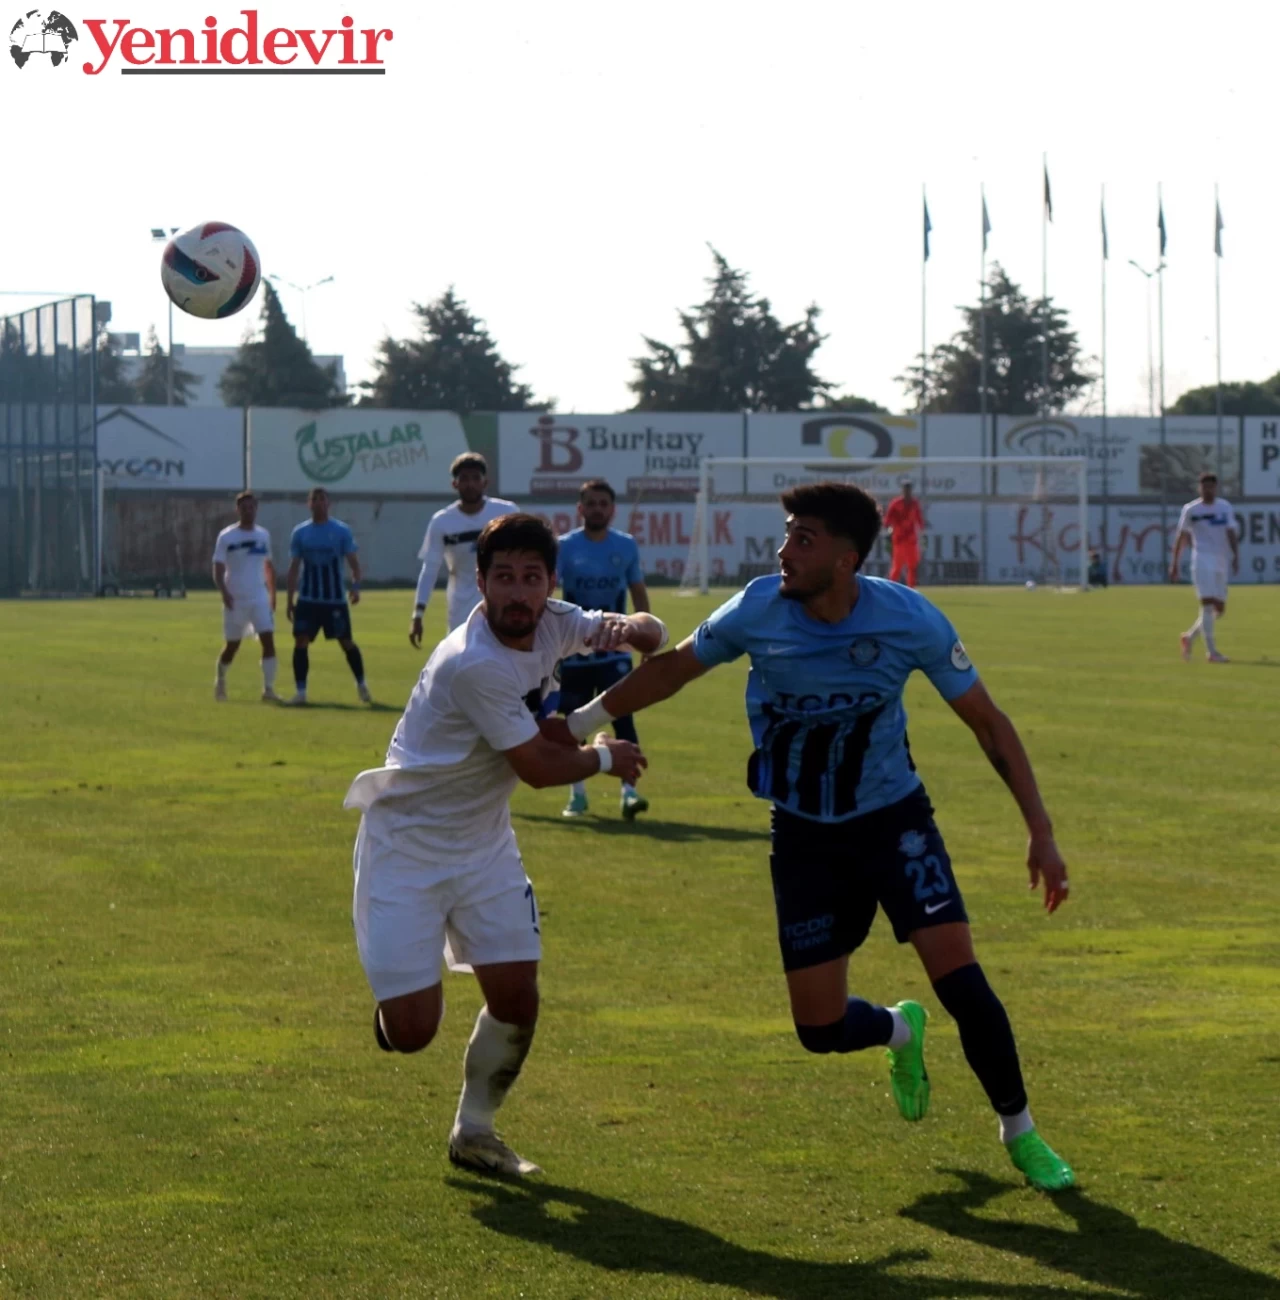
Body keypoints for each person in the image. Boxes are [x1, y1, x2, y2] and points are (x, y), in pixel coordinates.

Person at [561, 481, 1075, 1192]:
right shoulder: (758, 607)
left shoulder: (909, 619)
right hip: (802, 836)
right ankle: (899, 1029)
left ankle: (1021, 1134)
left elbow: (988, 723)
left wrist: (1040, 832)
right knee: (819, 1028)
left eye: (803, 538)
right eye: (786, 534)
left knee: (962, 980)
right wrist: (583, 722)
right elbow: (675, 666)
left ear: (846, 558)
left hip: (894, 822)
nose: (783, 551)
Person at [344, 514, 666, 1177]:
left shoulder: (554, 618)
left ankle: (475, 1132)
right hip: (407, 846)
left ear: (551, 582)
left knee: (518, 997)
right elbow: (542, 770)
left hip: (484, 842)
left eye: (530, 578)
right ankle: (392, 1011)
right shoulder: (473, 664)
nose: (518, 593)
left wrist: (638, 626)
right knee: (411, 1034)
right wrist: (604, 757)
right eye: (502, 579)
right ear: (481, 586)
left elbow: (637, 633)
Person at [556, 479, 652, 821]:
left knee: (623, 718)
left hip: (616, 652)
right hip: (575, 651)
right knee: (573, 724)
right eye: (591, 503)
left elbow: (638, 594)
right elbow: (552, 595)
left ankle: (629, 792)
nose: (597, 509)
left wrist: (646, 638)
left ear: (612, 509)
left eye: (603, 504)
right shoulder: (564, 547)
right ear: (580, 509)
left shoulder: (625, 546)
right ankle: (577, 794)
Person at [410, 453, 519, 647]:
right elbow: (430, 569)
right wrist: (418, 613)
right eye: (464, 479)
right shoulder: (442, 521)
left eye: (475, 478)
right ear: (455, 484)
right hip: (460, 607)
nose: (470, 484)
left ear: (485, 482)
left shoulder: (507, 513)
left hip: (502, 602)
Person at [285, 487, 371, 706]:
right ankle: (301, 692)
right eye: (315, 499)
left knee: (346, 642)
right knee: (301, 641)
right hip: (308, 599)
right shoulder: (300, 533)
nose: (319, 503)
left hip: (334, 600)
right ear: (309, 504)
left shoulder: (341, 531)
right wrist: (289, 600)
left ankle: (362, 685)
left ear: (328, 504)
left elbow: (354, 562)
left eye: (323, 499)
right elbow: (294, 568)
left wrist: (356, 586)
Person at [212, 490, 278, 702]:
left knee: (268, 640)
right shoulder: (227, 536)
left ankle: (268, 689)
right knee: (233, 645)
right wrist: (224, 592)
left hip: (259, 596)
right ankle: (220, 680)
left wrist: (273, 594)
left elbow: (268, 566)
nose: (248, 511)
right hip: (235, 598)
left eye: (252, 507)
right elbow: (218, 567)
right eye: (244, 507)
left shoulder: (263, 535)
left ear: (256, 509)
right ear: (237, 509)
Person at [1172, 471, 1239, 664]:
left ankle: (1190, 637)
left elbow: (1231, 532)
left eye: (1211, 486)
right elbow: (1181, 537)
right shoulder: (1191, 509)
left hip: (1221, 560)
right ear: (1199, 488)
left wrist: (1235, 556)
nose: (1208, 490)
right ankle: (1212, 653)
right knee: (1208, 604)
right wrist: (1174, 563)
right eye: (1204, 486)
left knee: (1219, 609)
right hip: (1202, 559)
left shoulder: (1224, 507)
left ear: (1216, 488)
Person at [883, 479, 926, 587]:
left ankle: (911, 588)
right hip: (899, 540)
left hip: (911, 540)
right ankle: (891, 588)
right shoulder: (896, 503)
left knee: (912, 566)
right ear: (902, 490)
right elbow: (887, 520)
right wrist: (890, 527)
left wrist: (922, 531)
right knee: (897, 567)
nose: (907, 491)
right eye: (905, 489)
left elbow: (919, 519)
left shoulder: (914, 503)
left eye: (909, 489)